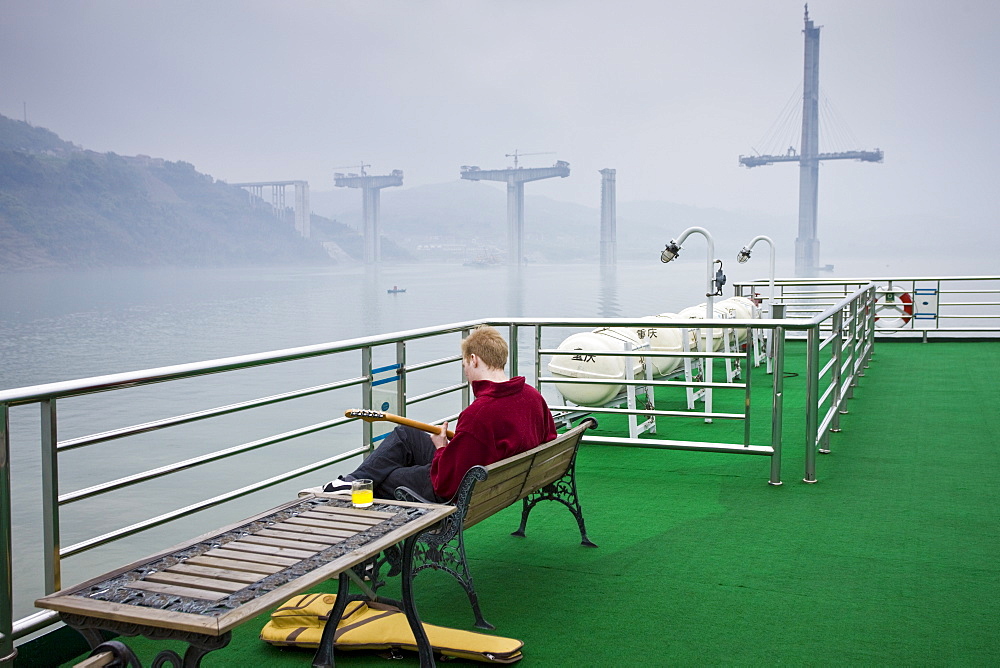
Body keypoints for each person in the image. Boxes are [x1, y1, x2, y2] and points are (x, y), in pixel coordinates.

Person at [324, 325, 557, 501]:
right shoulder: (532, 396)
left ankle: (366, 544)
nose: (465, 370)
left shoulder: (479, 414)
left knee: (385, 478)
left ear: (474, 360)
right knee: (406, 434)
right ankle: (351, 481)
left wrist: (441, 448)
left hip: (465, 488)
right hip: (501, 479)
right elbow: (548, 437)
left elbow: (446, 483)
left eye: (464, 363)